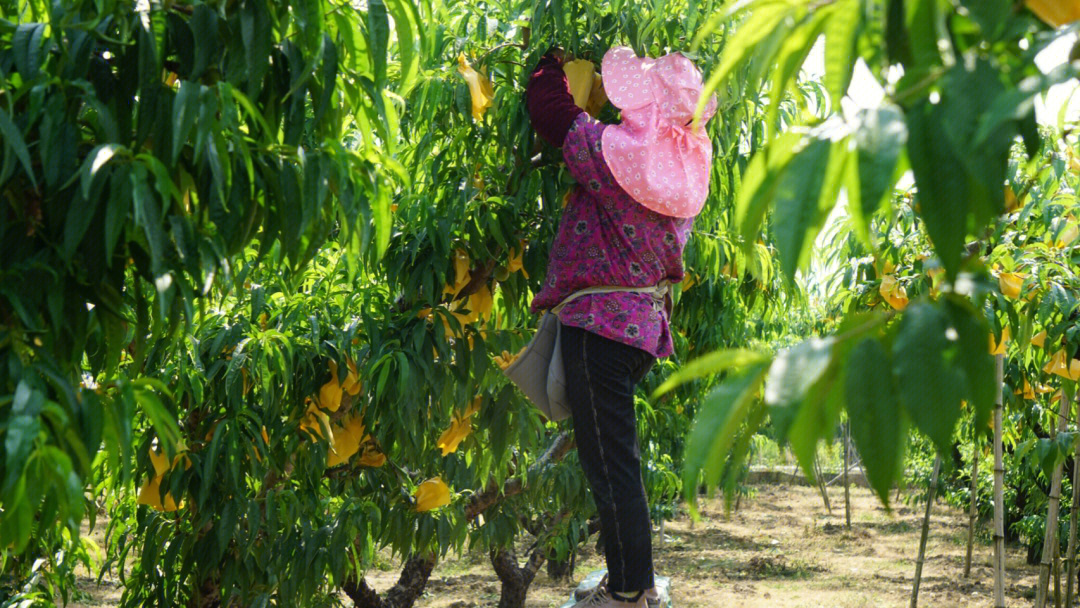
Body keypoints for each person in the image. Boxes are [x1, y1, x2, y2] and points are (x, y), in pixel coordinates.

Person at [525, 45, 717, 608]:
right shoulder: (682, 167)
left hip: (602, 331)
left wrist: (548, 61)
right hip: (637, 332)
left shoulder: (617, 158)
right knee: (617, 462)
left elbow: (551, 112)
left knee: (611, 466)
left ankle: (629, 592)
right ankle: (634, 584)